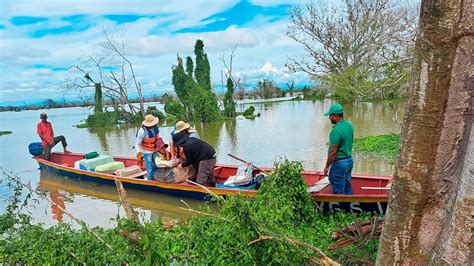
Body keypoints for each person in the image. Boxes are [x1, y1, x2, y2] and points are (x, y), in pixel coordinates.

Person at [323, 103, 354, 195]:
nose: (329, 117)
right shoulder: (349, 125)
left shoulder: (336, 131)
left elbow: (333, 152)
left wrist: (327, 166)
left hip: (339, 163)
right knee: (347, 185)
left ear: (335, 116)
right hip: (349, 161)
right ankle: (350, 205)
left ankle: (341, 207)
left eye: (330, 115)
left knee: (338, 188)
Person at [135, 114, 160, 180]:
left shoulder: (155, 126)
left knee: (158, 165)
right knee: (150, 168)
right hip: (146, 152)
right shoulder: (142, 131)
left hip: (155, 150)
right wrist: (139, 155)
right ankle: (150, 180)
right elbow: (137, 144)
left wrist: (162, 149)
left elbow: (158, 138)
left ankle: (157, 178)